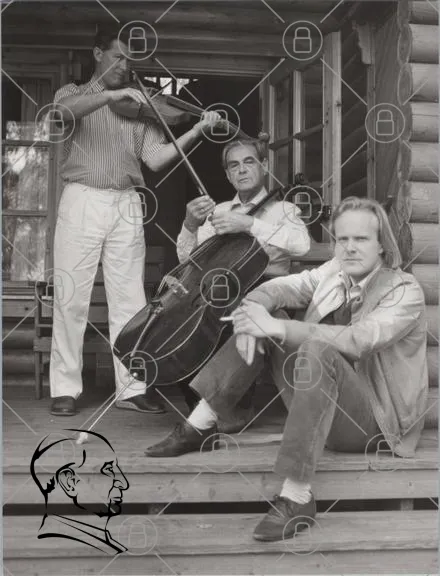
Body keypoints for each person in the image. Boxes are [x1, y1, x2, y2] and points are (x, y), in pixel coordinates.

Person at [145, 196, 428, 542]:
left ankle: (297, 496)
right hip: (320, 404)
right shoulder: (334, 272)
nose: (350, 248)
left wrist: (277, 327)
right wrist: (253, 312)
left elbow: (360, 339)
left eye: (361, 239)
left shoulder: (404, 290)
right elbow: (284, 287)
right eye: (342, 239)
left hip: (373, 424)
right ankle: (199, 425)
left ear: (382, 244)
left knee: (312, 344)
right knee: (270, 317)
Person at [49, 25, 221, 416]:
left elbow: (157, 159)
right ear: (98, 54)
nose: (125, 66)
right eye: (118, 57)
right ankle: (65, 388)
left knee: (130, 299)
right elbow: (62, 114)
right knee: (71, 296)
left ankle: (131, 388)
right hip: (82, 197)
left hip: (127, 202)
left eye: (130, 60)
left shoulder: (138, 106)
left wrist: (197, 129)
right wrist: (109, 95)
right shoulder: (72, 93)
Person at [175, 135, 311, 431]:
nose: (242, 169)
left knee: (239, 315)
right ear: (227, 174)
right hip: (222, 289)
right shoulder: (219, 210)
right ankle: (204, 402)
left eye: (249, 162)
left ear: (264, 166)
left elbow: (301, 245)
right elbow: (189, 260)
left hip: (269, 290)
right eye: (234, 165)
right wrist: (190, 225)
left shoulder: (284, 210)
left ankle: (232, 408)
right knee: (189, 322)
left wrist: (250, 224)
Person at [31, 431, 129, 555]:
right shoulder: (66, 546)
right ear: (69, 483)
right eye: (108, 469)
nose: (123, 484)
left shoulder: (105, 542)